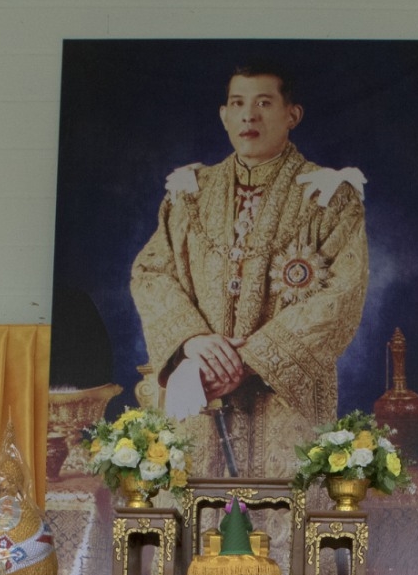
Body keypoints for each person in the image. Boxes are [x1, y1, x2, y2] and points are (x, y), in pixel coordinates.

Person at [130, 64, 368, 478]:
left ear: (292, 114)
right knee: (193, 509)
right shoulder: (190, 193)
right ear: (224, 115)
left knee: (284, 511)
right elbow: (151, 272)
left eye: (264, 103)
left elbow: (340, 296)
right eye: (238, 104)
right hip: (200, 391)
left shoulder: (330, 197)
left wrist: (247, 360)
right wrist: (193, 340)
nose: (249, 116)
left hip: (284, 408)